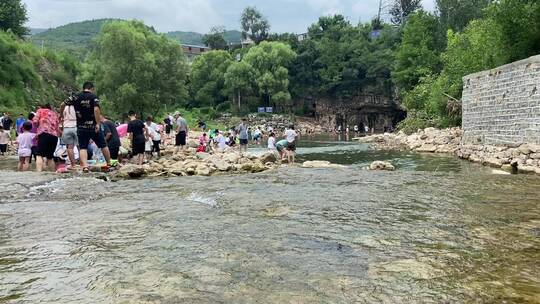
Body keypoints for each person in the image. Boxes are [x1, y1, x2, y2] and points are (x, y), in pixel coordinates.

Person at [71, 82, 111, 172]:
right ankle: (108, 164)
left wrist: (61, 115)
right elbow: (96, 109)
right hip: (93, 126)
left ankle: (85, 166)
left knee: (83, 147)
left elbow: (63, 104)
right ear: (91, 88)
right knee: (103, 145)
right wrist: (98, 123)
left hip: (81, 127)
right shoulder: (94, 97)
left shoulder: (76, 97)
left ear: (83, 87)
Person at [33, 104, 60, 172]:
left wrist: (37, 127)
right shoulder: (54, 114)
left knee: (39, 155)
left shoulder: (40, 111)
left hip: (44, 134)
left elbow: (35, 121)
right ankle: (53, 172)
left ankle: (38, 172)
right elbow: (57, 127)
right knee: (50, 157)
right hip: (54, 136)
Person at [60, 97, 79, 169]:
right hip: (76, 127)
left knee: (69, 147)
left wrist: (61, 116)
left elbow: (61, 107)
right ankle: (83, 164)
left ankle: (73, 165)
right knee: (80, 147)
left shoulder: (65, 108)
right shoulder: (77, 107)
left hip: (67, 128)